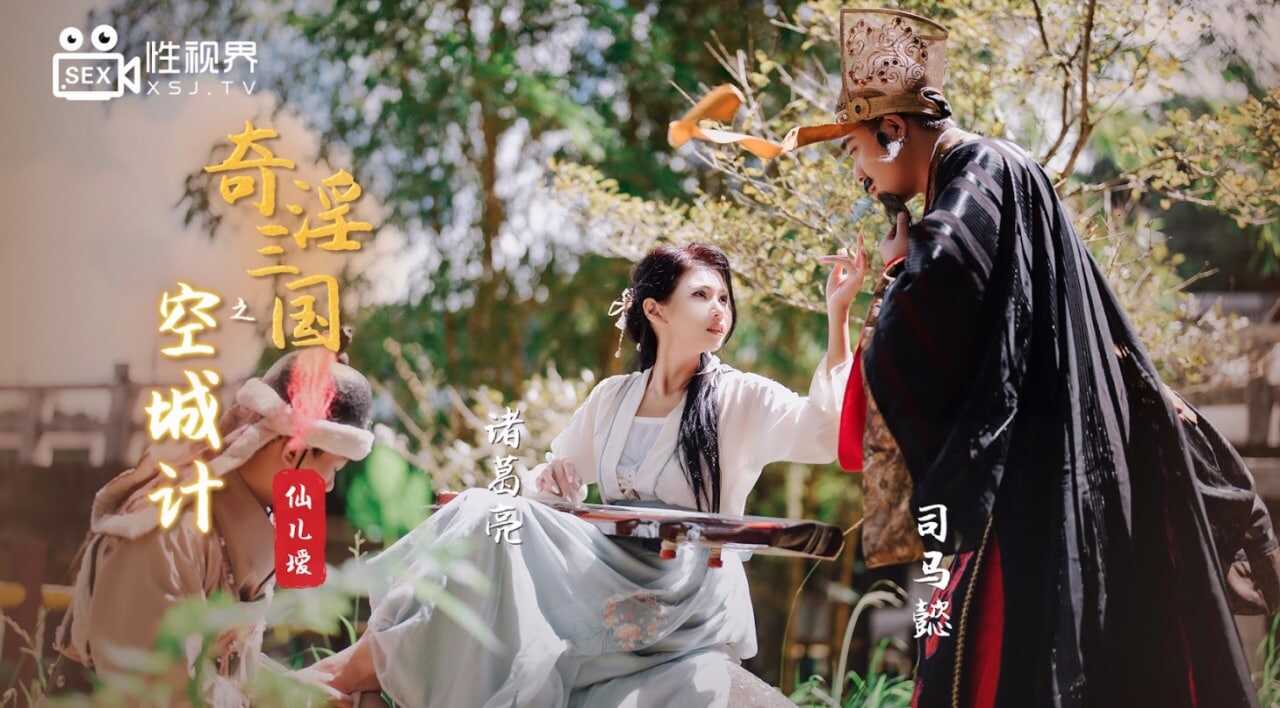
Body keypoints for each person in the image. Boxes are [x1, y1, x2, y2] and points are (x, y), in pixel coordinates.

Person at [704, 7, 1280, 707]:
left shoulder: (977, 172)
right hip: (1043, 460)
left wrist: (898, 270)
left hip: (1023, 478)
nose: (856, 173)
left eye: (853, 149)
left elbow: (937, 299)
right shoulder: (994, 171)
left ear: (893, 131)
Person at [317, 243, 863, 707]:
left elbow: (824, 433)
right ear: (656, 310)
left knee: (492, 518)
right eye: (701, 295)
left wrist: (837, 316)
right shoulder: (612, 398)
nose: (719, 309)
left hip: (683, 586)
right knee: (488, 513)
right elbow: (550, 477)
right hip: (608, 567)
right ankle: (359, 671)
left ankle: (346, 675)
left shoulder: (741, 397)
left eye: (724, 298)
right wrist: (554, 479)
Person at [51, 348, 375, 707]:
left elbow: (226, 671)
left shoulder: (242, 518)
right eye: (333, 468)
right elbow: (151, 692)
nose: (328, 485)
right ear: (291, 452)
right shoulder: (166, 534)